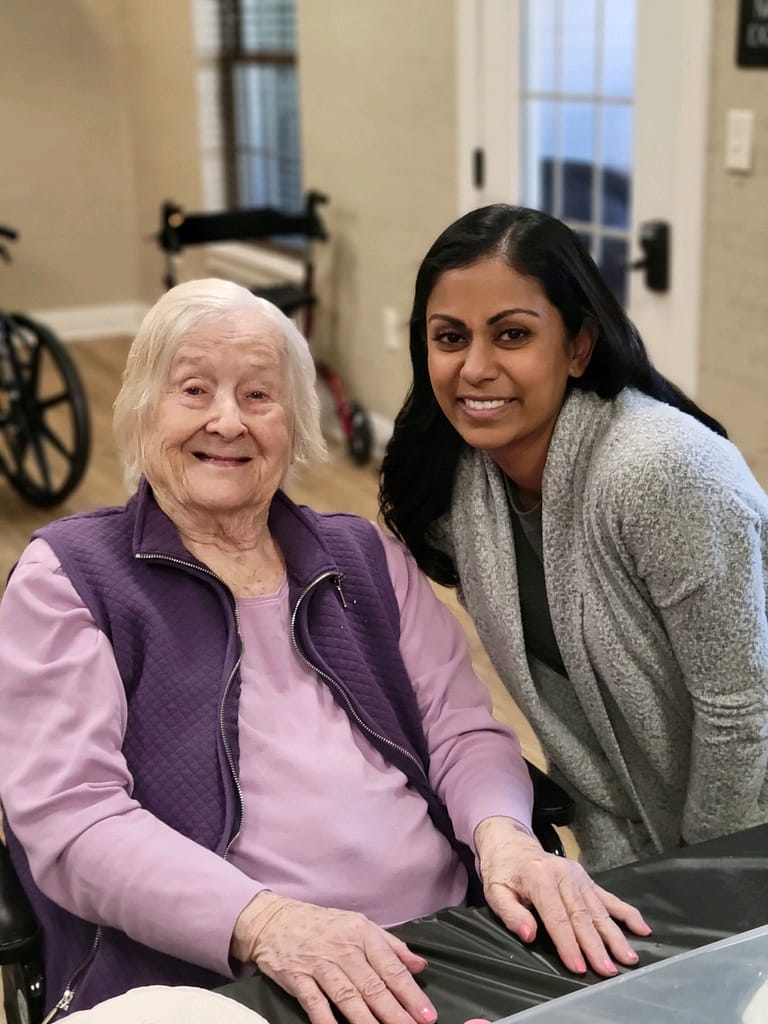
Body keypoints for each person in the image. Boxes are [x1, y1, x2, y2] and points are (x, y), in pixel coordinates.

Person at [0, 279, 648, 1023]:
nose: (227, 421)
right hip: (228, 979)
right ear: (143, 409)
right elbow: (75, 817)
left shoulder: (361, 556)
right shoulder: (75, 579)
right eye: (194, 390)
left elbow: (462, 731)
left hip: (445, 942)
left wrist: (505, 840)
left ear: (296, 423)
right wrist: (267, 923)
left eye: (258, 395)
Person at [380, 204, 768, 873]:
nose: (475, 367)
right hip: (641, 854)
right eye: (450, 337)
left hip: (738, 842)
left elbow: (743, 710)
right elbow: (578, 724)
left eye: (512, 335)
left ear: (578, 345)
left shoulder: (660, 471)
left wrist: (705, 882)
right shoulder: (458, 488)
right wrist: (619, 869)